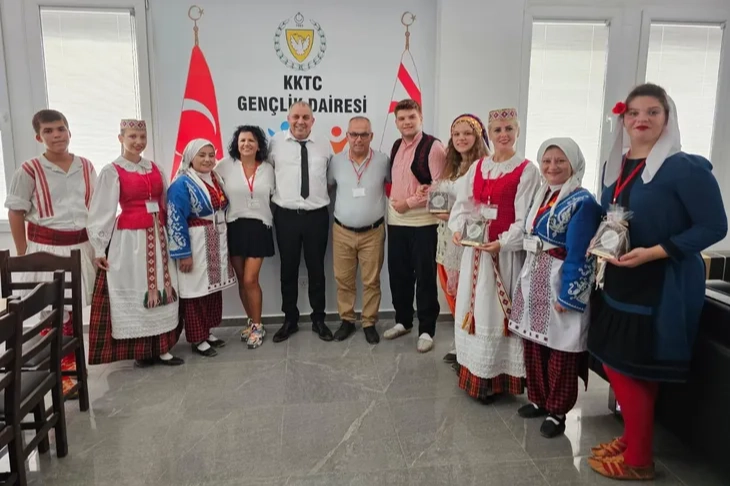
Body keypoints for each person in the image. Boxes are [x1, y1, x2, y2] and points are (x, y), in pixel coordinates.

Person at [586, 83, 727, 480]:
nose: (641, 119)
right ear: (623, 120)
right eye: (633, 113)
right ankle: (633, 438)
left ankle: (639, 461)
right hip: (622, 277)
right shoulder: (617, 165)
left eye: (652, 112)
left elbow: (714, 226)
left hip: (662, 282)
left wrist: (656, 251)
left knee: (632, 367)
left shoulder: (684, 168)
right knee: (621, 364)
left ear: (668, 118)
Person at [508, 138, 602, 438]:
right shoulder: (542, 194)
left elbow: (582, 253)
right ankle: (538, 399)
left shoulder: (583, 202)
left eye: (560, 161)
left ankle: (558, 411)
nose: (552, 167)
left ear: (574, 164)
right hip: (535, 275)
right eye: (547, 161)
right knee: (535, 343)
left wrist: (570, 296)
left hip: (560, 280)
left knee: (561, 348)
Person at [449, 107, 541, 403]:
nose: (504, 135)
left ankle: (497, 377)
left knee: (495, 312)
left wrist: (502, 243)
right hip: (476, 253)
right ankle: (474, 373)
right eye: (498, 130)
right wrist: (458, 229)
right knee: (473, 309)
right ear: (489, 133)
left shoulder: (526, 170)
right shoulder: (478, 167)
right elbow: (463, 204)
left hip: (503, 255)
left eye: (509, 129)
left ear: (517, 132)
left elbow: (524, 217)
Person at [5, 109, 96, 397]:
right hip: (46, 247)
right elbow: (15, 211)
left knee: (73, 307)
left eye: (60, 129)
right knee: (52, 309)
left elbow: (95, 207)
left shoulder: (85, 166)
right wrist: (23, 253)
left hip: (80, 246)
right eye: (48, 131)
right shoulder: (29, 170)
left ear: (69, 131)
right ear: (38, 137)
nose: (56, 135)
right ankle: (58, 372)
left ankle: (72, 367)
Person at [87, 119, 184, 367]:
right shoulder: (112, 171)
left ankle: (162, 348)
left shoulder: (155, 168)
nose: (138, 142)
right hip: (130, 240)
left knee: (162, 287)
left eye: (142, 137)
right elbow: (102, 211)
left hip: (158, 236)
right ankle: (141, 350)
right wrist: (99, 247)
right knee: (137, 285)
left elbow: (164, 203)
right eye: (132, 137)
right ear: (121, 138)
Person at [382, 99, 447, 353]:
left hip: (423, 222)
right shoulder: (396, 145)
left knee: (425, 276)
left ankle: (427, 330)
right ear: (396, 122)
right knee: (399, 273)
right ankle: (403, 321)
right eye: (402, 118)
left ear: (420, 117)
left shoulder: (434, 147)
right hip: (396, 220)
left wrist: (408, 202)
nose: (407, 122)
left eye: (411, 117)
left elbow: (439, 187)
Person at [268, 101, 334, 343]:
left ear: (312, 121)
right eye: (296, 116)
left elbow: (329, 179)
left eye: (306, 117)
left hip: (317, 216)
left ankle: (319, 319)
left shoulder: (324, 144)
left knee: (317, 269)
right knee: (288, 269)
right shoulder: (275, 144)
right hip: (286, 216)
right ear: (288, 118)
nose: (300, 121)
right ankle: (290, 320)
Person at [167, 139, 236, 357]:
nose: (207, 159)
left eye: (211, 155)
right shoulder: (181, 184)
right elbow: (175, 219)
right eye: (202, 155)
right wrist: (183, 253)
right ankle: (197, 337)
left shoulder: (215, 178)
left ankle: (207, 331)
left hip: (215, 238)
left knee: (211, 289)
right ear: (190, 157)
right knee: (195, 290)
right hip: (195, 242)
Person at [327, 116, 390, 344]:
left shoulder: (383, 161)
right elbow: (328, 187)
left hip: (373, 232)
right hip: (342, 231)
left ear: (371, 136)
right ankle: (347, 320)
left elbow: (393, 186)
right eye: (354, 134)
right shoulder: (336, 162)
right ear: (347, 136)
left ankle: (369, 322)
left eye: (364, 134)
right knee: (343, 279)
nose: (358, 139)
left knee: (371, 281)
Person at [435, 114, 490, 365]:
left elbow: (483, 207)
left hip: (467, 238)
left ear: (478, 137)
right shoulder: (452, 165)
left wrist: (452, 215)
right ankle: (460, 343)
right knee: (453, 294)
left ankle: (469, 347)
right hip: (446, 237)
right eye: (456, 134)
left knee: (469, 294)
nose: (461, 138)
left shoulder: (485, 166)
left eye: (467, 133)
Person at [215, 125, 275, 349]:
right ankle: (251, 322)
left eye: (251, 140)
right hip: (234, 226)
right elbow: (204, 178)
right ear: (236, 144)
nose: (246, 144)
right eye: (242, 141)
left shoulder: (268, 168)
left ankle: (258, 326)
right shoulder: (225, 165)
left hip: (260, 227)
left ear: (258, 145)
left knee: (251, 279)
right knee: (242, 280)